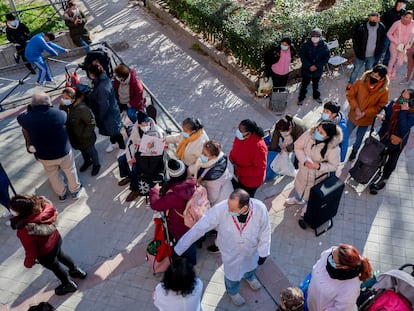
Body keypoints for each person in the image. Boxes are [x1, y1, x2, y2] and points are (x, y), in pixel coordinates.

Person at [174, 189, 271, 307]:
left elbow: (265, 231)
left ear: (244, 208)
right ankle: (232, 292)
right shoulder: (221, 209)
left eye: (232, 209)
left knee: (251, 265)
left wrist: (263, 252)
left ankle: (249, 276)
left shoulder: (260, 209)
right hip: (230, 251)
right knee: (232, 274)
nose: (228, 210)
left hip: (250, 249)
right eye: (228, 205)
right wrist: (179, 248)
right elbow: (199, 228)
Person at [9, 194, 87, 296]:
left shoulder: (25, 229)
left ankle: (68, 284)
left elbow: (31, 251)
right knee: (61, 255)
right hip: (56, 239)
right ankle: (76, 271)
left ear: (19, 212)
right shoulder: (45, 207)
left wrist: (28, 263)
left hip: (45, 253)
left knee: (56, 268)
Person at [16, 92, 82, 202]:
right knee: (70, 171)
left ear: (33, 104)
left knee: (52, 175)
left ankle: (61, 194)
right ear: (48, 102)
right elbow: (65, 118)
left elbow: (20, 117)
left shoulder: (26, 119)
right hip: (63, 152)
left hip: (44, 155)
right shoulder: (59, 114)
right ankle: (75, 191)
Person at [285, 120, 342, 228]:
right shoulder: (309, 134)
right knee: (299, 186)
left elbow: (334, 166)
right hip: (303, 170)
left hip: (317, 177)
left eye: (321, 132)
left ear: (328, 136)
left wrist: (319, 166)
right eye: (318, 129)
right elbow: (298, 147)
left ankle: (307, 207)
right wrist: (303, 160)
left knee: (310, 195)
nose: (317, 133)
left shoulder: (334, 149)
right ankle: (297, 199)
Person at [149, 159, 197, 264]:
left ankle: (190, 261)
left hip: (180, 225)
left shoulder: (174, 195)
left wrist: (154, 191)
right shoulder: (192, 183)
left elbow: (155, 205)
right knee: (191, 240)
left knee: (183, 243)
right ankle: (192, 258)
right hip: (193, 220)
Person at [369, 88, 414, 194]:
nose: (402, 100)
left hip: (397, 141)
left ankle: (384, 178)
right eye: (402, 96)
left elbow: (404, 128)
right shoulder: (394, 103)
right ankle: (374, 172)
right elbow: (388, 116)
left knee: (391, 161)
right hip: (385, 136)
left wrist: (403, 111)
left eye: (406, 99)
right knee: (379, 155)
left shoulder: (412, 113)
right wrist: (383, 117)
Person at [307, 244, 373, 311]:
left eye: (333, 260)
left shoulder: (350, 288)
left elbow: (341, 309)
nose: (329, 257)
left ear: (344, 267)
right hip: (311, 300)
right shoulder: (333, 253)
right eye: (332, 253)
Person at [118, 110, 165, 202]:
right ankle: (128, 176)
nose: (144, 127)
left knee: (135, 168)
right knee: (122, 160)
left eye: (145, 124)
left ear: (148, 122)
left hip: (150, 158)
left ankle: (135, 189)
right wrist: (130, 158)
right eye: (141, 125)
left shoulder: (157, 132)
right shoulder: (136, 128)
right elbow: (130, 144)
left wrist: (137, 159)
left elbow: (154, 151)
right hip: (138, 152)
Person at [346, 64, 389, 161]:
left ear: (382, 79)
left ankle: (354, 151)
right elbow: (350, 95)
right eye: (373, 74)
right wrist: (356, 108)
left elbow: (380, 106)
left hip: (366, 119)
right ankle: (340, 150)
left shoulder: (384, 91)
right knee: (346, 134)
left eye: (377, 76)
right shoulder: (360, 82)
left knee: (359, 138)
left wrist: (365, 113)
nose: (373, 77)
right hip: (353, 115)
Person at [59, 87, 100, 176]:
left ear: (73, 99)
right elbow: (62, 116)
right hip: (74, 137)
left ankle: (96, 164)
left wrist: (84, 135)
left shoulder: (82, 109)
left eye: (66, 98)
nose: (64, 100)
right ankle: (87, 162)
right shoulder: (65, 107)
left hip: (86, 137)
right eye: (63, 97)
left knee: (91, 151)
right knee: (82, 151)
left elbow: (91, 122)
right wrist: (62, 106)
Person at [87, 61, 125, 153]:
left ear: (92, 74)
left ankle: (123, 148)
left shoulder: (102, 87)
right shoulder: (104, 79)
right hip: (111, 112)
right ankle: (113, 143)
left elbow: (103, 105)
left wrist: (99, 117)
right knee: (111, 130)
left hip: (108, 114)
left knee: (115, 131)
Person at [347, 12, 387, 89]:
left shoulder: (381, 27)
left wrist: (379, 51)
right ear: (369, 18)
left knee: (368, 71)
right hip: (360, 55)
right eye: (371, 20)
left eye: (375, 20)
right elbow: (355, 40)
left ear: (378, 19)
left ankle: (364, 84)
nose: (373, 21)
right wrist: (357, 52)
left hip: (372, 55)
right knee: (355, 70)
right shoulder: (362, 27)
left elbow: (382, 40)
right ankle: (350, 83)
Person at [229, 119, 267, 197]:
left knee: (246, 198)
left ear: (249, 133)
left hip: (251, 182)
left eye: (241, 132)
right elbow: (234, 147)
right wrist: (231, 158)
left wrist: (239, 171)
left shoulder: (259, 147)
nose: (238, 133)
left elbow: (259, 169)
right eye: (238, 130)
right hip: (239, 175)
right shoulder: (240, 137)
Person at [297, 28, 330, 105]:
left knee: (316, 84)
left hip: (318, 69)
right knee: (304, 84)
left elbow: (326, 57)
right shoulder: (306, 45)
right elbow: (302, 56)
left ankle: (316, 96)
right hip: (306, 69)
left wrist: (317, 66)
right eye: (313, 36)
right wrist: (309, 66)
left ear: (320, 37)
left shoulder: (324, 46)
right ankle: (301, 98)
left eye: (317, 36)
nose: (315, 37)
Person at [386, 10, 414, 80]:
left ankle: (394, 71)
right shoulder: (397, 23)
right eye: (406, 17)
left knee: (400, 63)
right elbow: (389, 34)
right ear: (404, 16)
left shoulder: (413, 24)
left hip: (404, 46)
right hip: (394, 44)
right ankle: (389, 72)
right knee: (392, 59)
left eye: (410, 18)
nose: (408, 19)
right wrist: (396, 42)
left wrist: (409, 44)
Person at [381, 0, 407, 65]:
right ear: (398, 3)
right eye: (402, 2)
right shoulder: (390, 12)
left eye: (404, 3)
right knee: (383, 48)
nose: (403, 4)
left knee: (391, 50)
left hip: (397, 35)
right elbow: (384, 22)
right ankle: (376, 62)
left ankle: (386, 62)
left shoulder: (404, 13)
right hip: (388, 33)